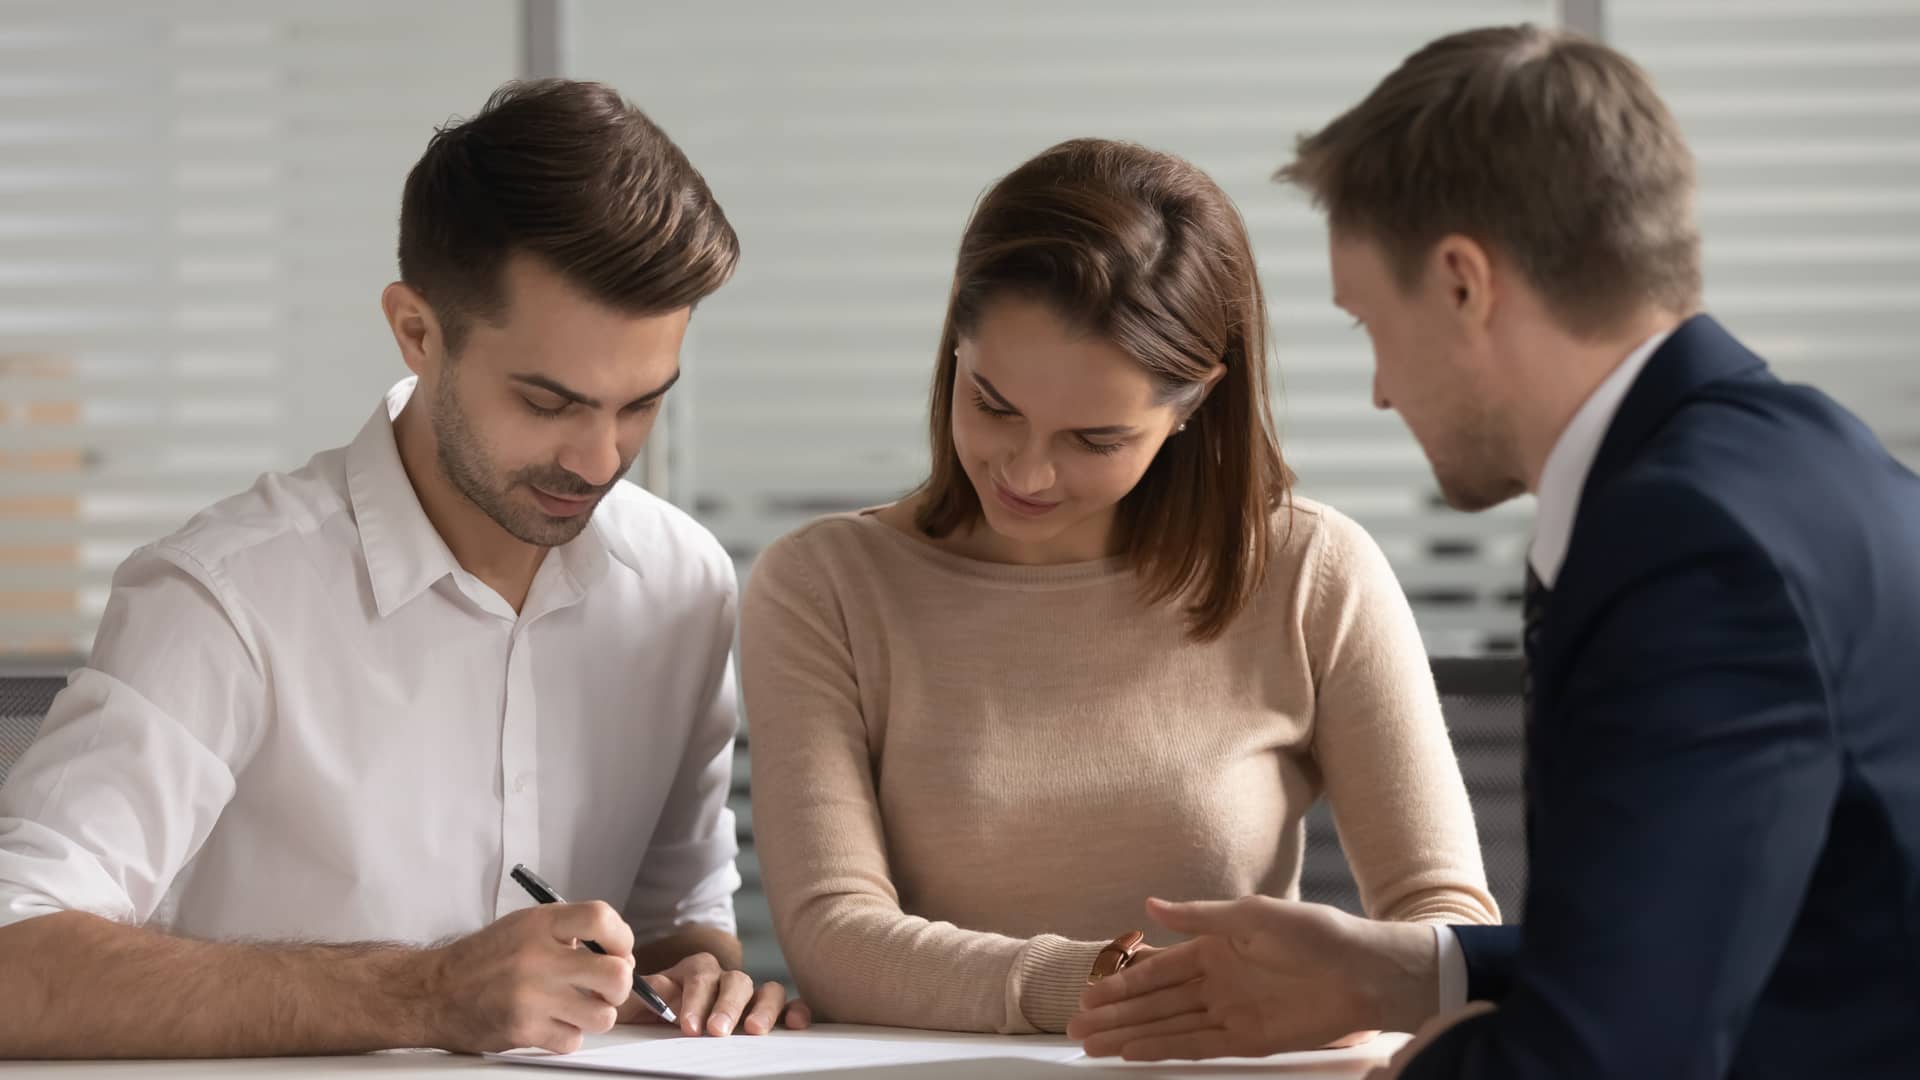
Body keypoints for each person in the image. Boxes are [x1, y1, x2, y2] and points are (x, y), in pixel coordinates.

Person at [1072, 25, 1920, 1079]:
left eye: (1369, 323)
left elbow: (1610, 1056)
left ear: (1464, 283)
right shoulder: (1805, 463)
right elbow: (1700, 936)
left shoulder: (1689, 550)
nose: (1381, 389)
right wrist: (1403, 972)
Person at [0, 80, 808, 1058]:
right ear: (418, 333)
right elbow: (16, 957)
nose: (599, 459)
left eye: (639, 404)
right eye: (549, 403)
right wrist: (421, 992)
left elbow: (679, 911)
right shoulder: (225, 597)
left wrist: (701, 974)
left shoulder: (683, 582)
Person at [738, 137, 1499, 1037]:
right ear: (955, 346)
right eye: (993, 402)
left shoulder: (1311, 571)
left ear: (1192, 405)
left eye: (1093, 440)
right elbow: (836, 935)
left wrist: (1332, 995)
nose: (1026, 471)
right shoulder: (824, 586)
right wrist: (1110, 986)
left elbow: (1443, 921)